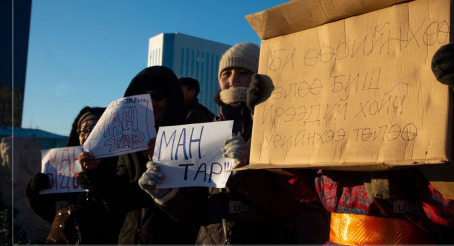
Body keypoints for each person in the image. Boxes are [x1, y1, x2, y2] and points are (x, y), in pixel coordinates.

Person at [291, 43, 454, 245]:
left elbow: (448, 211)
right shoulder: (326, 133)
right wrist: (268, 121)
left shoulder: (413, 133)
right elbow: (303, 191)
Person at [138, 42, 304, 244]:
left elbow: (293, 207)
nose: (232, 80)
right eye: (225, 74)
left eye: (243, 72)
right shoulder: (205, 132)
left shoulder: (280, 127)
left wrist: (244, 174)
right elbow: (197, 215)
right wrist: (166, 194)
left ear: (260, 76)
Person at [77, 66, 199, 244]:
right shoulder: (126, 144)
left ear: (171, 98)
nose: (151, 104)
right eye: (143, 98)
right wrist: (97, 172)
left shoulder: (190, 135)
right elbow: (120, 201)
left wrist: (167, 161)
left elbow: (198, 204)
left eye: (158, 96)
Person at [25, 106, 122, 244]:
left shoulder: (121, 168)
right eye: (84, 131)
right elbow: (54, 215)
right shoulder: (64, 170)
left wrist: (97, 183)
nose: (88, 136)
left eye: (96, 129)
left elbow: (122, 214)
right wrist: (36, 193)